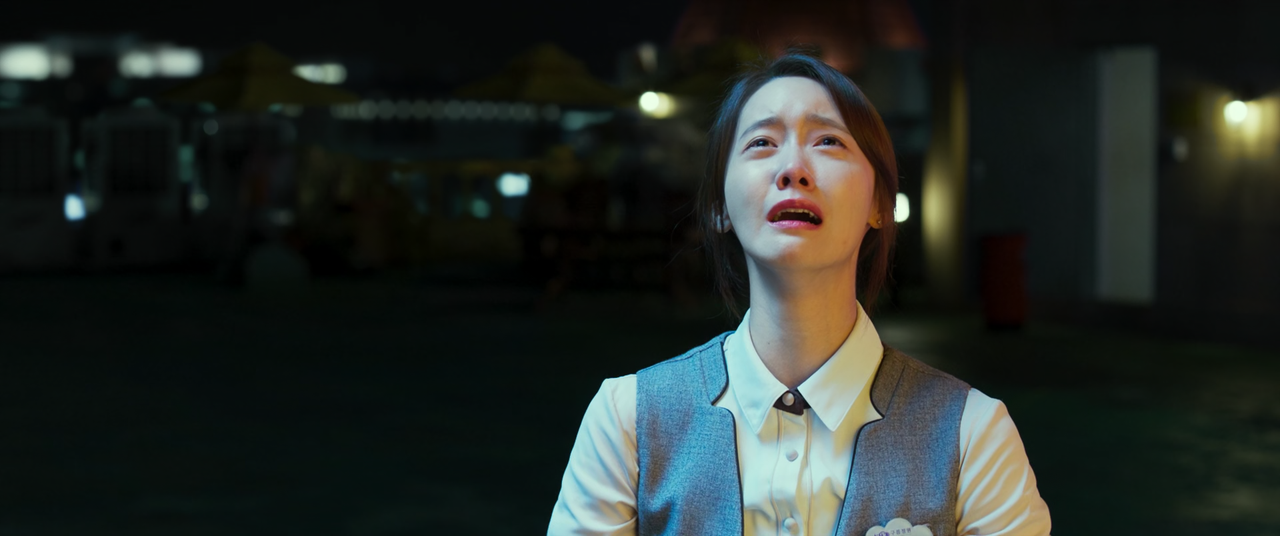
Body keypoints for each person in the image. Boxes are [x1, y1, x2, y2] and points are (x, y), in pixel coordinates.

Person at [548, 53, 1051, 536]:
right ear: (720, 205)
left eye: (829, 141)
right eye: (762, 142)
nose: (793, 168)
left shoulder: (973, 433)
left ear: (880, 202)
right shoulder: (627, 419)